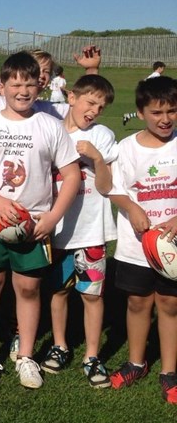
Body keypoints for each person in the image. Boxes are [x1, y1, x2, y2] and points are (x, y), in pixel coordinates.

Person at [0, 51, 80, 389]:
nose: (23, 91)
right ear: (1, 86)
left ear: (40, 86)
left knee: (29, 288)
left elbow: (71, 175)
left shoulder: (50, 125)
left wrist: (53, 217)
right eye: (15, 84)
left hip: (34, 225)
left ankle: (26, 356)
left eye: (30, 84)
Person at [41, 74, 117, 387]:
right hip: (58, 230)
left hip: (91, 230)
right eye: (90, 102)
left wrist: (96, 158)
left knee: (92, 295)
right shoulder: (51, 131)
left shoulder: (102, 135)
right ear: (71, 98)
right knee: (58, 290)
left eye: (101, 107)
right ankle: (60, 345)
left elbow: (107, 186)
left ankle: (92, 355)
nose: (94, 111)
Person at [108, 76, 177, 403]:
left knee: (170, 304)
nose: (165, 119)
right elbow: (114, 188)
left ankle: (170, 371)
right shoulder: (127, 148)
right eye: (156, 112)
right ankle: (136, 362)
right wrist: (131, 207)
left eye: (172, 111)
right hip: (136, 246)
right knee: (138, 302)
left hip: (172, 248)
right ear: (140, 112)